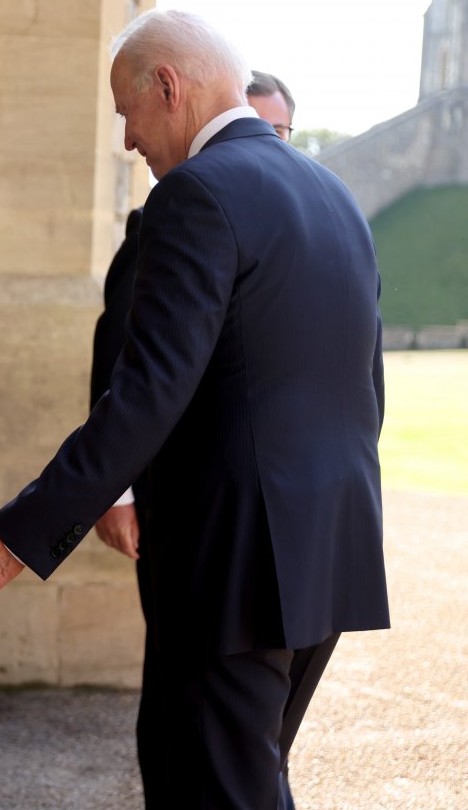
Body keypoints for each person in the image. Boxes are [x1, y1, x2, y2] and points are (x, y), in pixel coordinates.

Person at [0, 10, 387, 808]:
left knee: (223, 791)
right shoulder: (334, 195)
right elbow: (365, 388)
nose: (129, 142)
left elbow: (145, 395)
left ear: (168, 88)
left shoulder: (196, 194)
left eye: (126, 115)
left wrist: (13, 536)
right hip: (330, 546)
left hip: (237, 561)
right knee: (220, 775)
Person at [89, 68, 304, 803]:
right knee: (218, 741)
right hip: (214, 521)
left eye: (281, 135)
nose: (268, 148)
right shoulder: (174, 218)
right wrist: (112, 489)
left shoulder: (257, 210)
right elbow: (123, 361)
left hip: (251, 532)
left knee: (236, 753)